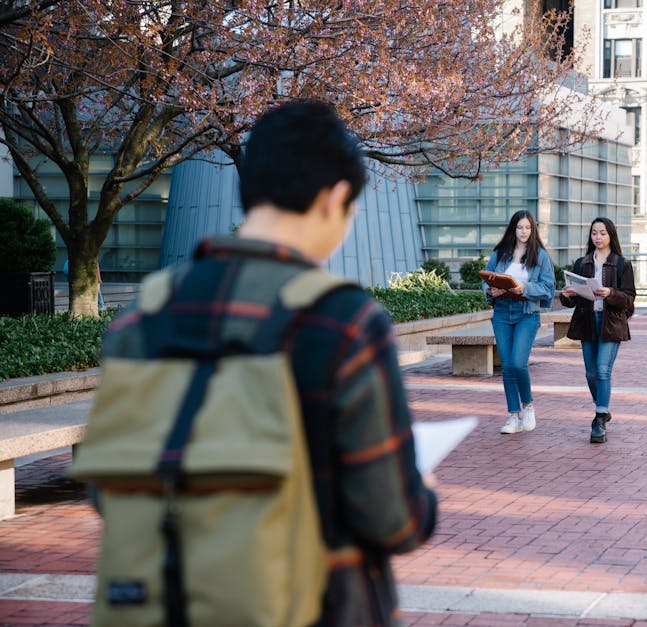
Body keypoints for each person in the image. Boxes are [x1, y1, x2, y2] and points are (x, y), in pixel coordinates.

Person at [96, 100, 437, 626]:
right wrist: (424, 492)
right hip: (320, 604)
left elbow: (109, 487)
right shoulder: (343, 322)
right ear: (336, 198)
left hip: (168, 603)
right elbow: (392, 519)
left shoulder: (142, 316)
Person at [560, 217, 636, 444]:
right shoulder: (581, 263)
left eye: (602, 233)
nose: (598, 237)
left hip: (610, 323)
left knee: (603, 370)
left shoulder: (622, 264)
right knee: (591, 373)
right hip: (587, 322)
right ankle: (603, 407)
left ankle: (600, 417)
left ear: (611, 235)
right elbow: (570, 303)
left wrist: (610, 294)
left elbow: (630, 299)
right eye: (594, 233)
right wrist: (567, 295)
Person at [482, 209, 555, 434]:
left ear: (533, 230)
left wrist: (525, 287)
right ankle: (513, 416)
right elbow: (487, 278)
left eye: (527, 228)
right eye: (519, 227)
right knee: (506, 366)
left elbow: (548, 287)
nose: (523, 232)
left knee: (517, 363)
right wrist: (491, 291)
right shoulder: (500, 253)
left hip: (527, 313)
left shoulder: (540, 256)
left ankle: (529, 406)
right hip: (503, 313)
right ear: (513, 229)